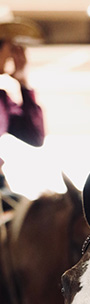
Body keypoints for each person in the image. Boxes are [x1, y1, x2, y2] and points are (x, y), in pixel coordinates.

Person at [0, 9, 44, 207]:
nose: (12, 54)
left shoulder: (2, 100)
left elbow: (35, 136)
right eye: (10, 47)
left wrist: (24, 84)